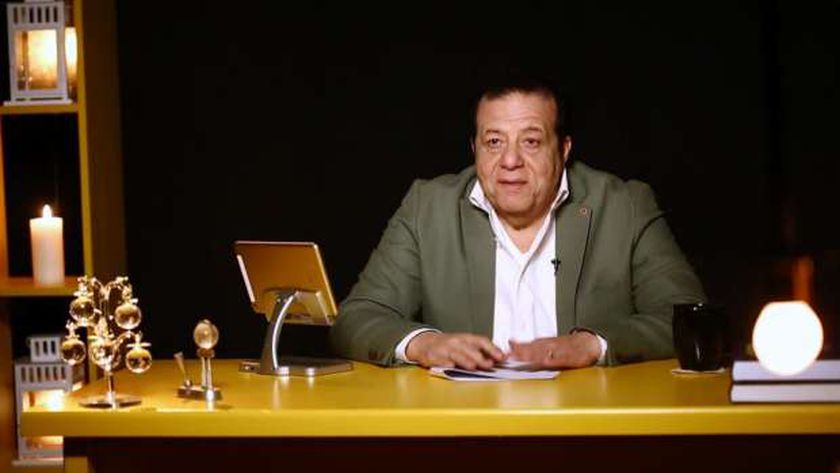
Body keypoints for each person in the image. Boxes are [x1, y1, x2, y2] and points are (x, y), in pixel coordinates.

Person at [330, 75, 705, 370]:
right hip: (466, 424)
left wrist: (592, 345)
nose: (510, 161)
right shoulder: (427, 207)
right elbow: (356, 319)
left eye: (530, 142)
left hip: (586, 420)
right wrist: (425, 344)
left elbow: (690, 318)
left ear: (563, 149)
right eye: (494, 142)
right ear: (474, 148)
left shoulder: (625, 206)